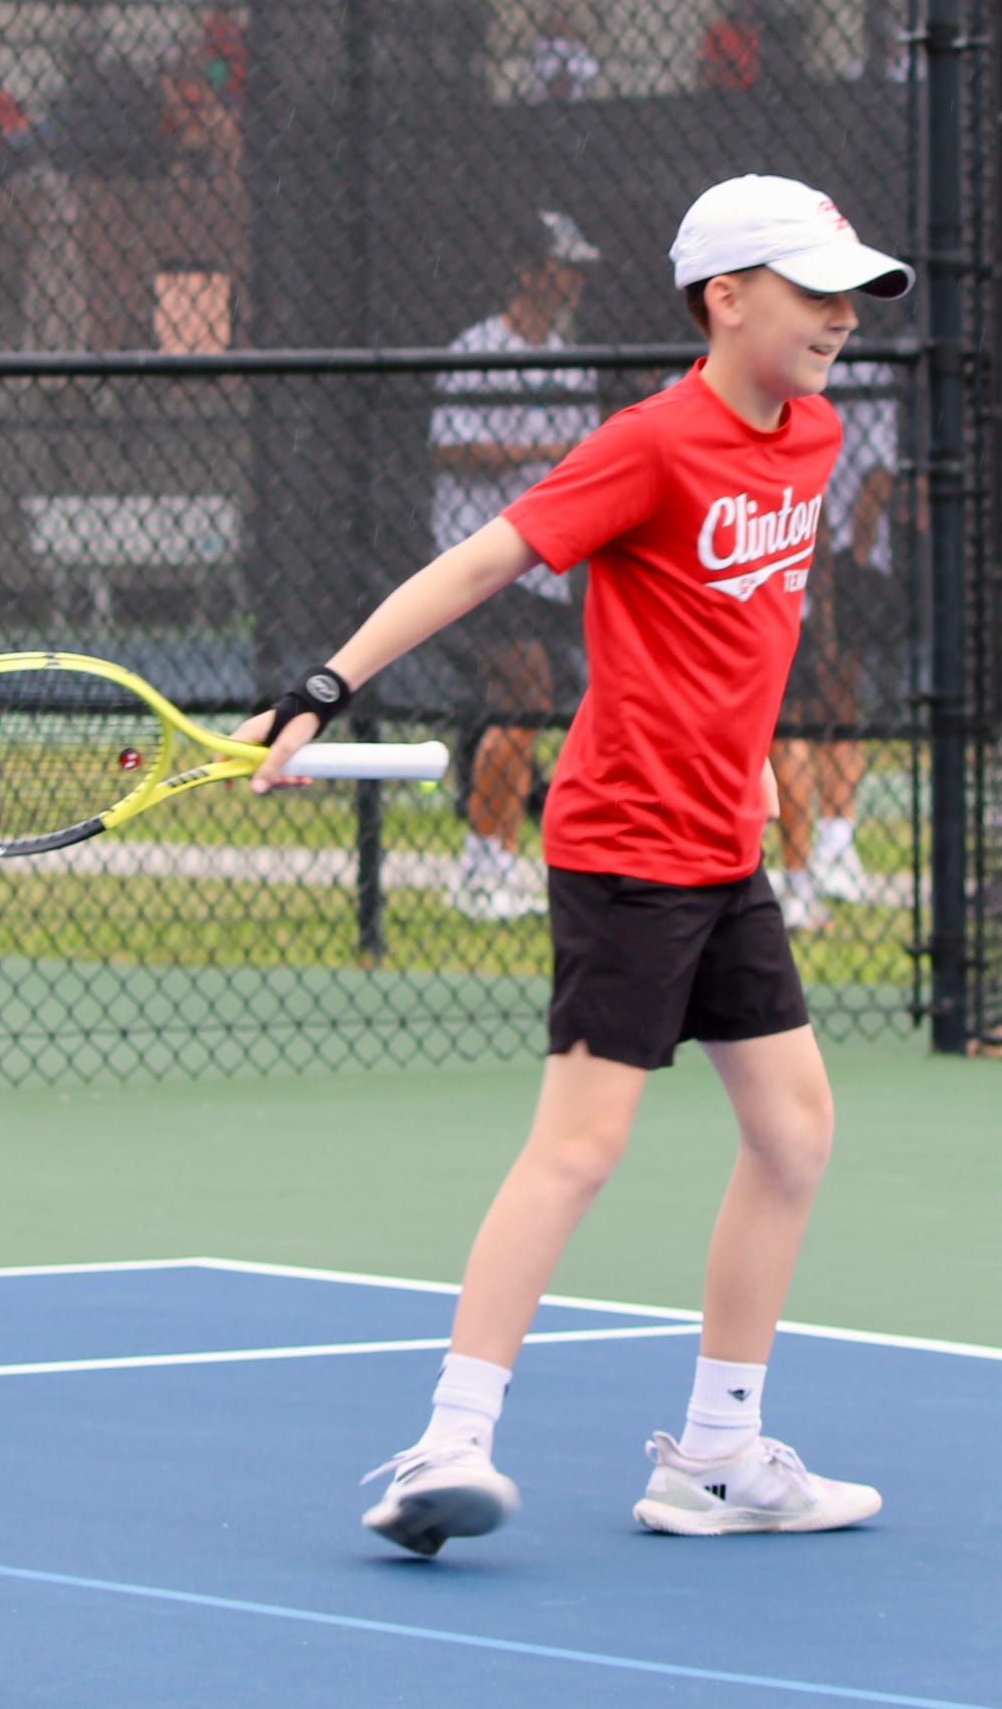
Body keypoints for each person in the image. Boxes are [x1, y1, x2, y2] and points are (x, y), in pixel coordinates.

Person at [239, 174, 911, 1554]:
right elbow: (477, 565)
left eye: (852, 294)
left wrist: (749, 773)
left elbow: (748, 628)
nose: (842, 317)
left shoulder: (816, 433)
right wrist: (322, 686)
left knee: (793, 1133)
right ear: (725, 299)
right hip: (625, 845)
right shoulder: (647, 444)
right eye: (812, 290)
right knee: (581, 1146)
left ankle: (716, 1457)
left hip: (721, 847)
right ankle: (446, 1444)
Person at [430, 210, 602, 919]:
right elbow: (450, 448)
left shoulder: (570, 360)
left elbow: (587, 459)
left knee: (521, 708)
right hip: (479, 558)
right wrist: (542, 455)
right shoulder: (476, 349)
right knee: (526, 694)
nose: (575, 279)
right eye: (563, 265)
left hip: (544, 566)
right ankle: (482, 866)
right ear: (528, 271)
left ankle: (490, 863)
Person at [770, 358, 902, 926]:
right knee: (789, 724)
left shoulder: (869, 372)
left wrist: (847, 569)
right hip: (787, 577)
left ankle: (832, 848)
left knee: (830, 705)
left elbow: (876, 479)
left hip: (844, 568)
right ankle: (799, 871)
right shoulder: (771, 376)